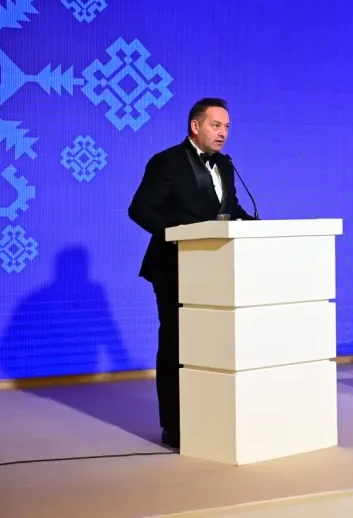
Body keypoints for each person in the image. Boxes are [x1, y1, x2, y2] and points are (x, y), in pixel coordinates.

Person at [128, 97, 254, 450]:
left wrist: (257, 228)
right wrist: (181, 235)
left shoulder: (225, 164)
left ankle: (209, 416)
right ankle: (174, 425)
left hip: (215, 270)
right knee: (176, 343)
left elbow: (229, 209)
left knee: (211, 347)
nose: (223, 133)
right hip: (174, 266)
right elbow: (140, 209)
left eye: (227, 127)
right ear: (195, 126)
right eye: (216, 125)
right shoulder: (166, 161)